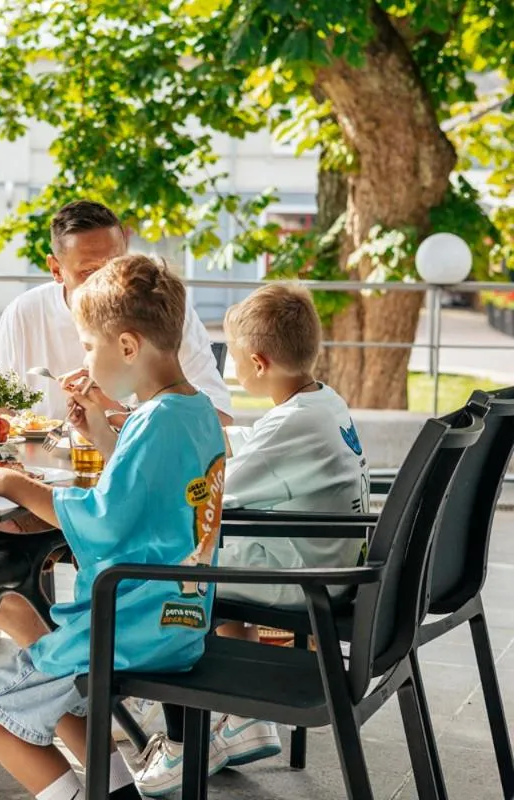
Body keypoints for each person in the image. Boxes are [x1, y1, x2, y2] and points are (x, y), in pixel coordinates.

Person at [0, 255, 227, 800]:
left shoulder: (154, 421)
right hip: (181, 619)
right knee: (60, 709)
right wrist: (101, 425)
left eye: (89, 345)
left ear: (127, 347)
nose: (85, 358)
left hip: (128, 624)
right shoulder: (193, 414)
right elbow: (147, 490)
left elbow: (103, 523)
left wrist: (10, 481)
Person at [135, 284, 371, 797]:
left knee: (172, 568)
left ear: (259, 363)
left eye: (236, 361)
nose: (231, 371)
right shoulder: (320, 402)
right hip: (325, 560)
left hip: (305, 579)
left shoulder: (294, 424)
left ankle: (179, 745)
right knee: (216, 550)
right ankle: (246, 723)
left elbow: (214, 491)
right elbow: (258, 452)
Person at [0, 200, 232, 424]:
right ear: (56, 270)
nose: (106, 280)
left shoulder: (161, 308)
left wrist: (115, 412)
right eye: (88, 272)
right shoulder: (24, 312)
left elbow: (219, 420)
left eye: (116, 264)